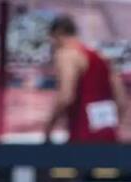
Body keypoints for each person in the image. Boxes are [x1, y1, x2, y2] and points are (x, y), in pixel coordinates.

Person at [43, 15, 126, 144]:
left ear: (58, 33)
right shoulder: (101, 56)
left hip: (82, 136)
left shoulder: (66, 55)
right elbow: (122, 100)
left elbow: (66, 96)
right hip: (109, 136)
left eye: (51, 39)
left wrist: (49, 128)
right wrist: (110, 127)